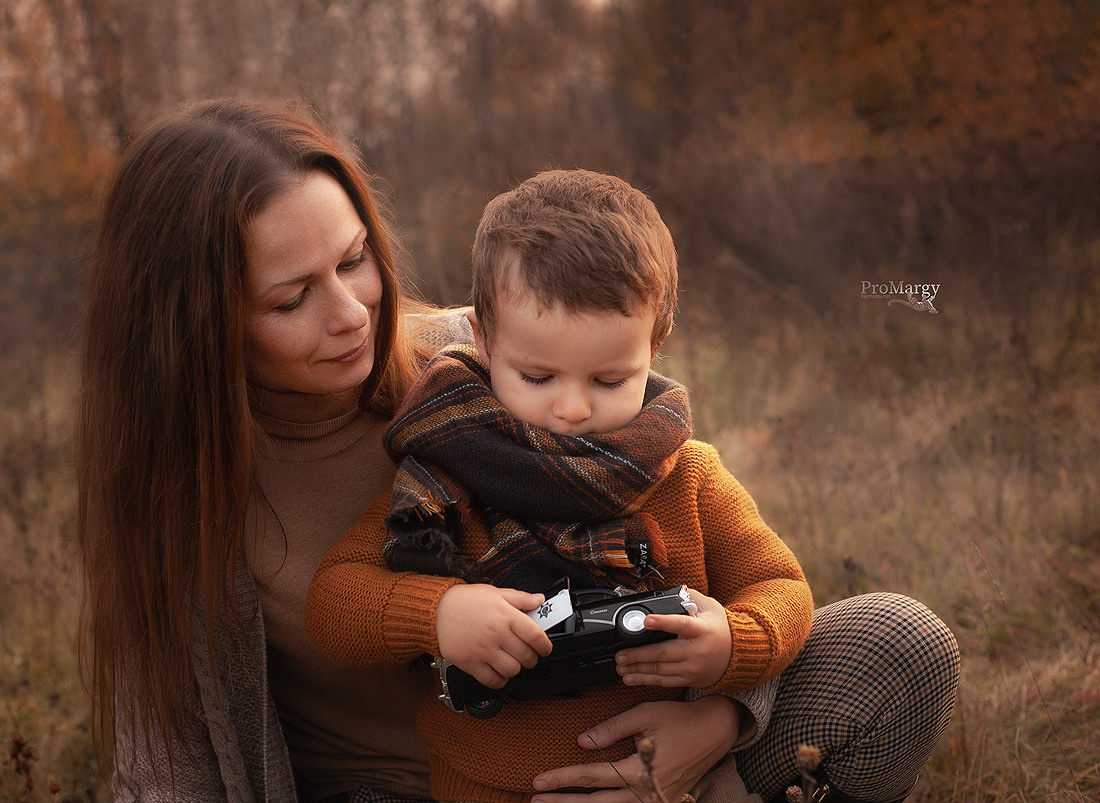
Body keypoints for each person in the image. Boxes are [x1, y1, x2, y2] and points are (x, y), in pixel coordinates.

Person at [75, 99, 774, 803]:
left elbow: (725, 563)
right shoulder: (176, 509)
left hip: (631, 742)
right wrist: (436, 612)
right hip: (414, 787)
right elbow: (172, 770)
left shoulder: (481, 363)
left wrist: (718, 720)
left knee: (882, 642)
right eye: (291, 299)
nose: (352, 313)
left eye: (354, 260)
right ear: (197, 324)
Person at [306, 170, 961, 803]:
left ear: (657, 343)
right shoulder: (444, 471)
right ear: (480, 338)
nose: (570, 408)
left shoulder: (688, 474)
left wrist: (733, 644)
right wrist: (441, 611)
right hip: (493, 787)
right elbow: (334, 602)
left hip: (682, 778)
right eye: (537, 377)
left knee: (905, 640)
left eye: (608, 379)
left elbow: (783, 586)